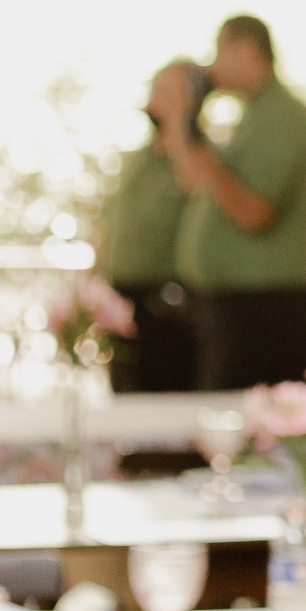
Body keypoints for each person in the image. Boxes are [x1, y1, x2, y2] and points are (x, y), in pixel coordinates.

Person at [154, 15, 306, 390]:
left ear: (245, 50)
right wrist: (181, 118)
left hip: (263, 310)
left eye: (220, 52)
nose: (213, 66)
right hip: (235, 309)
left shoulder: (282, 115)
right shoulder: (252, 117)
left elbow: (253, 212)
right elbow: (195, 181)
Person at [96, 64, 197, 392]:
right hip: (123, 305)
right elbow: (110, 223)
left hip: (168, 306)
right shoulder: (138, 159)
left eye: (170, 92)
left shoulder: (199, 160)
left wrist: (180, 128)